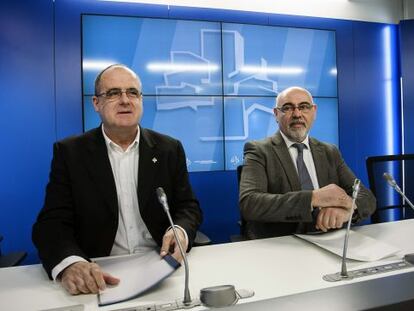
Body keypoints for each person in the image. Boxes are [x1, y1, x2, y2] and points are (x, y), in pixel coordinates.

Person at [32, 64, 202, 295]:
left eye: (132, 92)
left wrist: (180, 230)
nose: (125, 100)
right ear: (96, 103)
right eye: (113, 93)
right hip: (99, 273)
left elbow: (187, 207)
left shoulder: (169, 149)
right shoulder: (71, 153)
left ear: (141, 100)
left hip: (161, 268)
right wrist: (71, 263)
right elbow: (52, 223)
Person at [239, 86, 376, 239]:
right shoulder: (259, 150)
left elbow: (366, 196)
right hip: (282, 242)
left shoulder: (329, 151)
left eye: (304, 107)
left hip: (329, 239)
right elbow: (250, 203)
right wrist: (314, 197)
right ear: (276, 114)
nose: (297, 114)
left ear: (314, 111)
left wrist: (348, 211)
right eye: (288, 108)